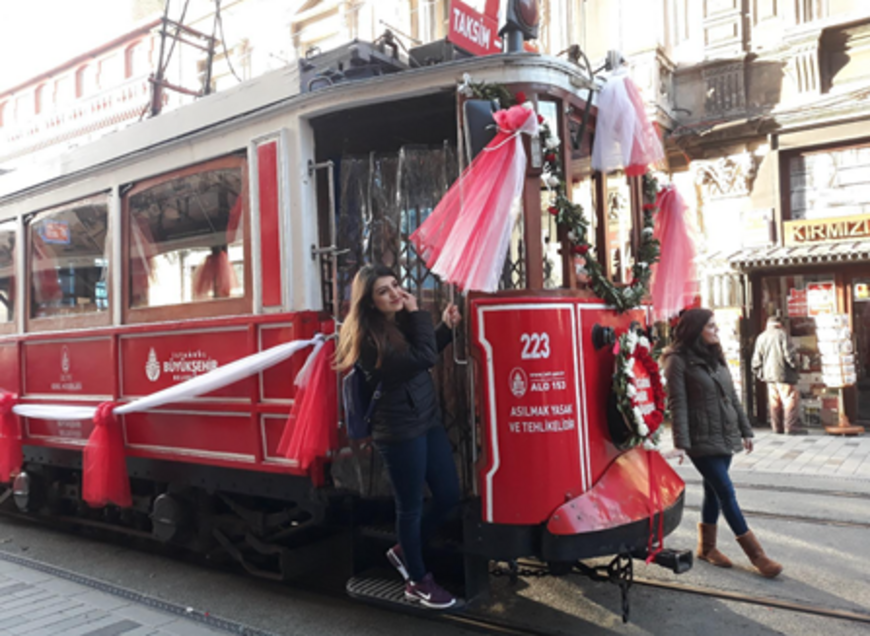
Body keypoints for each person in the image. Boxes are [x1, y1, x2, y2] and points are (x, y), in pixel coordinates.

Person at [335, 264, 462, 609]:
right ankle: (417, 582)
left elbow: (421, 352)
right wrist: (418, 312)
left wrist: (444, 328)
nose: (394, 294)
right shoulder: (367, 340)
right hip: (398, 430)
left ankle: (406, 551)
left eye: (395, 285)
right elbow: (420, 358)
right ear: (369, 302)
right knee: (411, 506)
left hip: (425, 419)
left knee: (449, 495)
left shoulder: (394, 325)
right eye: (383, 291)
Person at [664, 308, 782, 578]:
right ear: (695, 330)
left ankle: (707, 548)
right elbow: (677, 403)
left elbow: (732, 396)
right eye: (711, 326)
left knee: (714, 491)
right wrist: (681, 443)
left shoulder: (715, 355)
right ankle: (758, 556)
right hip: (699, 439)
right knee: (727, 493)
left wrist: (745, 429)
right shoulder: (677, 360)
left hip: (724, 434)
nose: (716, 330)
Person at [752, 316, 806, 435]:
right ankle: (791, 427)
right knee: (790, 400)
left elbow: (756, 360)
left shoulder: (761, 337)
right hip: (784, 374)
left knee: (774, 402)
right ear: (780, 325)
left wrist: (760, 373)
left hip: (769, 375)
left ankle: (777, 427)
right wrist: (796, 366)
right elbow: (789, 355)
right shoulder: (782, 335)